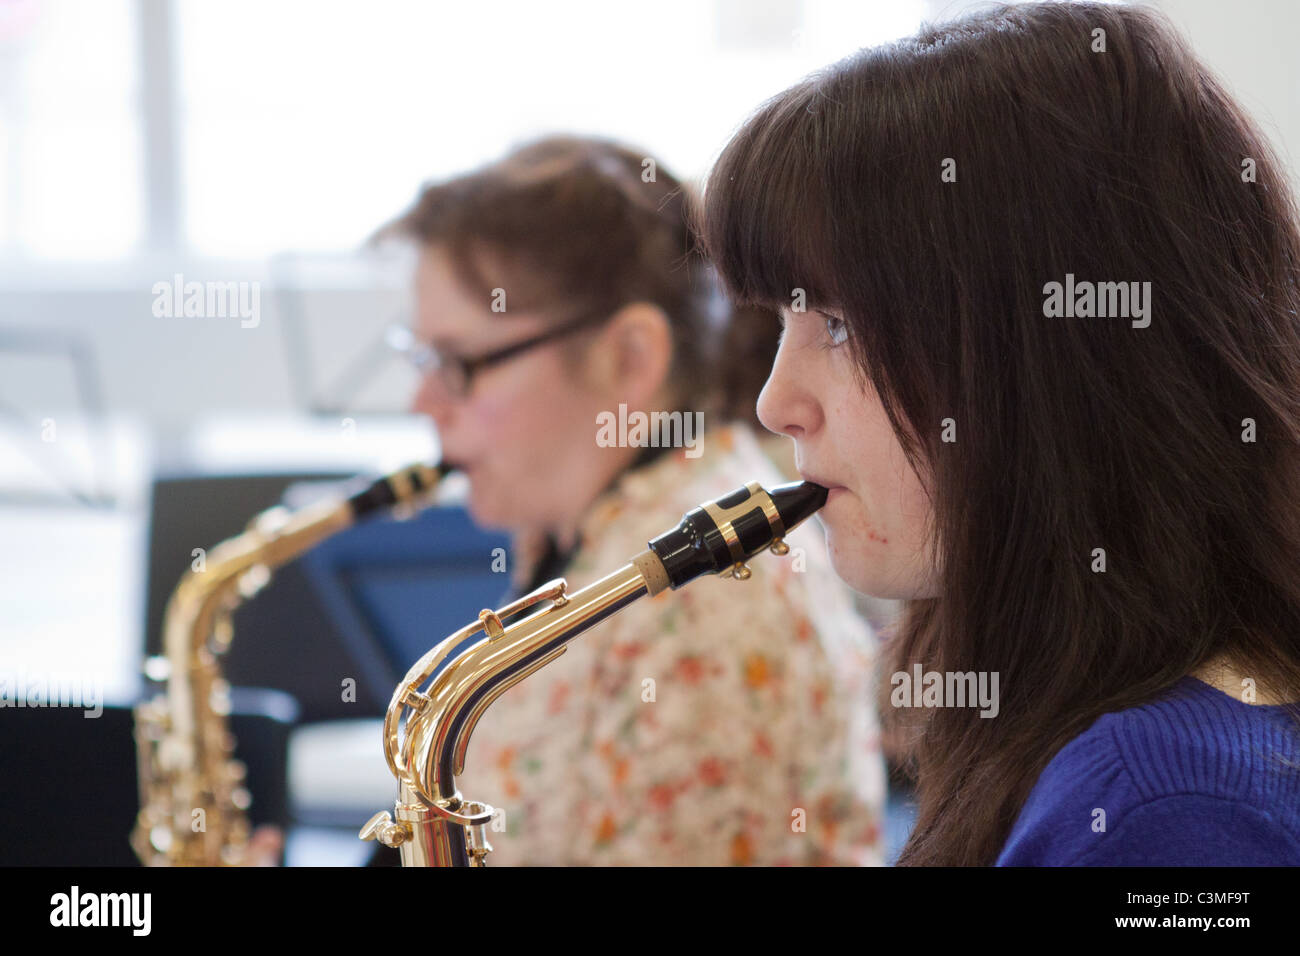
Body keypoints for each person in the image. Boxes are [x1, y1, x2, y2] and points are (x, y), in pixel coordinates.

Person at [699, 1, 1300, 866]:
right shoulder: (1119, 739)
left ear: (1048, 358)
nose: (775, 401)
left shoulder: (1164, 811)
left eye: (838, 324)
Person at [374, 135, 885, 865]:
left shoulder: (696, 602)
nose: (422, 402)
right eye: (422, 359)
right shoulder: (592, 538)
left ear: (631, 358)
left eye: (459, 363)